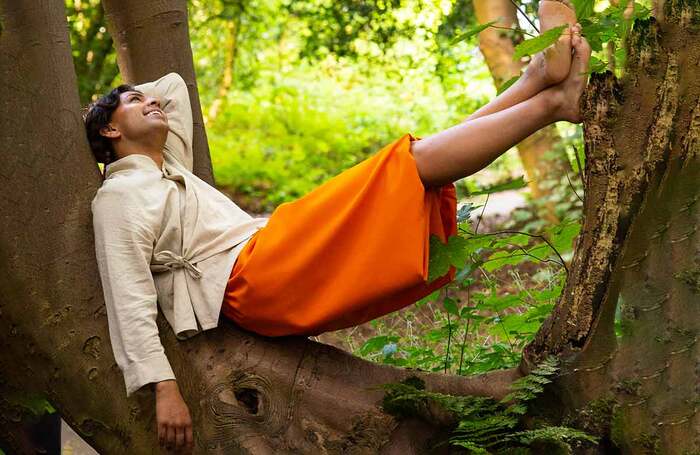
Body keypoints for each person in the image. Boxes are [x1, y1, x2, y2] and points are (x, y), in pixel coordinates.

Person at [85, 2, 589, 452]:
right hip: (251, 274)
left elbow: (170, 86)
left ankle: (537, 85)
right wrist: (162, 386)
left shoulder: (168, 166)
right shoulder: (120, 195)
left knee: (412, 168)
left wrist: (128, 103)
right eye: (131, 103)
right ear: (110, 132)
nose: (151, 102)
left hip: (267, 256)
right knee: (405, 166)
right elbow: (127, 294)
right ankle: (548, 101)